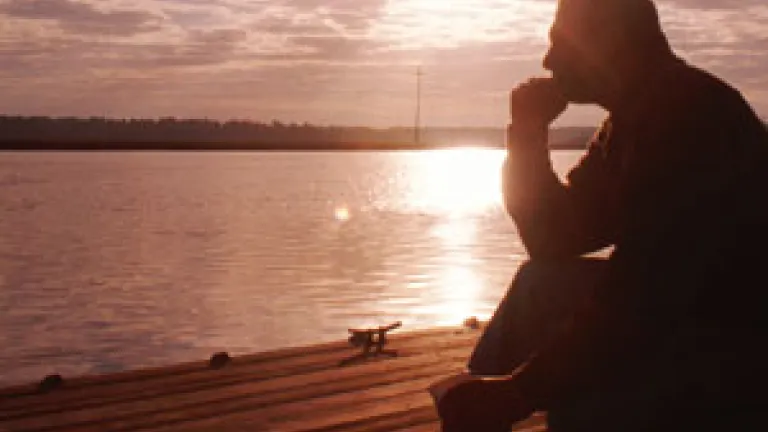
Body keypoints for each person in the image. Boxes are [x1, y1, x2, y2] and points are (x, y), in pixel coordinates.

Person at [434, 0, 768, 430]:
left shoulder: (690, 116)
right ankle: (470, 407)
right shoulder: (631, 121)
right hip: (689, 316)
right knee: (542, 281)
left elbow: (640, 300)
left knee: (594, 370)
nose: (548, 59)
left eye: (559, 43)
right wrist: (527, 137)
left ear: (607, 43)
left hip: (736, 341)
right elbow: (551, 238)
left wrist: (521, 391)